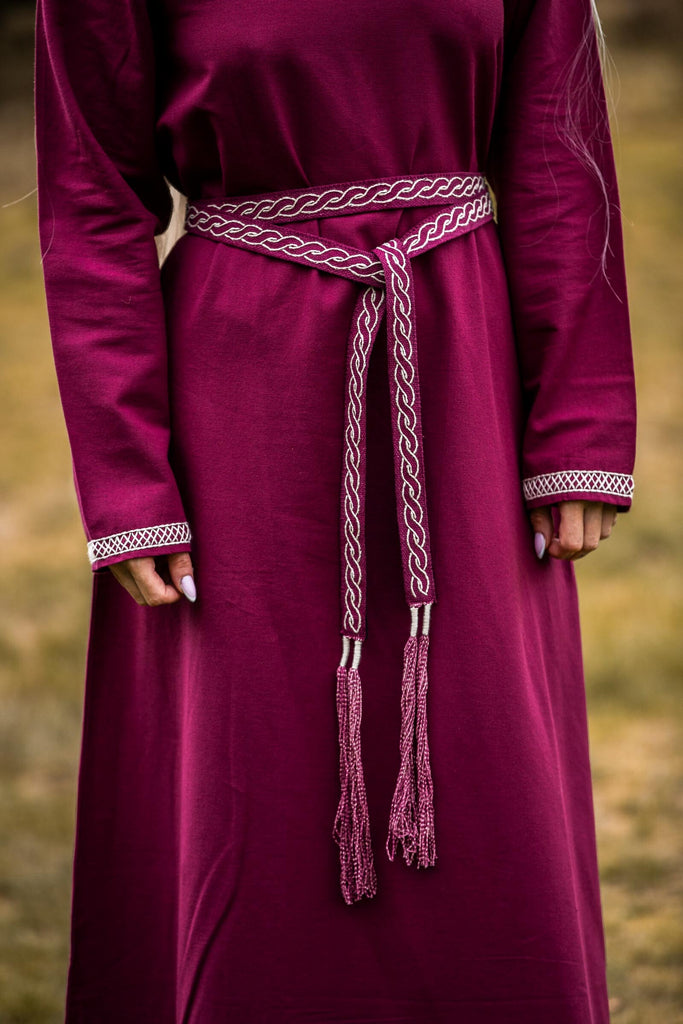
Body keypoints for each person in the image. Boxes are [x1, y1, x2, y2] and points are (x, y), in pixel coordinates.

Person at [34, 0, 636, 1019]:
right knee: (254, 769)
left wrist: (576, 418)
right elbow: (93, 193)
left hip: (459, 382)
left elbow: (554, 148)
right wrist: (128, 475)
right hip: (242, 407)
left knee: (484, 751)